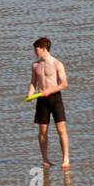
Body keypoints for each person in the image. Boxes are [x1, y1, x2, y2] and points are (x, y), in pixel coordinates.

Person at [28, 37, 69, 168]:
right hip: (41, 100)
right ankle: (45, 159)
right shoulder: (35, 65)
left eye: (36, 50)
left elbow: (64, 84)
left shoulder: (57, 64)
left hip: (55, 98)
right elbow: (33, 82)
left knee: (61, 129)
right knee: (42, 131)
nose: (35, 52)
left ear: (44, 49)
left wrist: (50, 90)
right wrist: (30, 93)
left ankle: (65, 159)